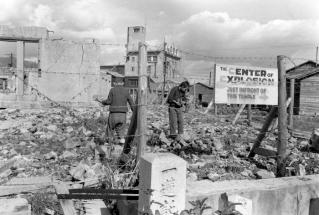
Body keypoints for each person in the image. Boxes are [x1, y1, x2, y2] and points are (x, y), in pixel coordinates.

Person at [95, 78, 135, 145]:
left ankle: (108, 143)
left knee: (110, 128)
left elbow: (109, 101)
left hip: (113, 114)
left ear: (115, 83)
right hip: (123, 114)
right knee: (121, 129)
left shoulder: (112, 90)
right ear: (123, 83)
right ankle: (122, 141)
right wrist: (134, 111)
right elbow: (131, 102)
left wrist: (102, 102)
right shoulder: (126, 91)